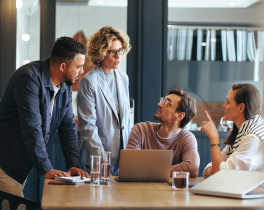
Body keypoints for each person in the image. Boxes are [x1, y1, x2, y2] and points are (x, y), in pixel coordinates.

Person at [0, 37, 89, 210]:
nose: (82, 71)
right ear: (63, 66)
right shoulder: (28, 79)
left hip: (20, 165)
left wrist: (73, 164)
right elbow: (32, 127)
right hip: (5, 163)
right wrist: (45, 168)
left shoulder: (64, 85)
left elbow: (68, 126)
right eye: (78, 66)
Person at [77, 26, 131, 175]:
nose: (118, 56)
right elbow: (88, 126)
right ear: (100, 53)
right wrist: (102, 160)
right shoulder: (88, 81)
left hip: (123, 158)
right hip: (98, 158)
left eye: (120, 50)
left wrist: (130, 153)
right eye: (112, 52)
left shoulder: (123, 78)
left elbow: (126, 120)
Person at [126, 88, 200, 178]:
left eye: (167, 103)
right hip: (140, 190)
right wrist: (165, 171)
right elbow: (129, 165)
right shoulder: (141, 130)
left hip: (172, 191)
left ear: (179, 115)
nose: (159, 104)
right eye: (162, 100)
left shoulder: (187, 138)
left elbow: (192, 168)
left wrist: (149, 171)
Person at [202, 83, 264, 178]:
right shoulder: (242, 131)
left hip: (255, 192)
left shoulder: (253, 137)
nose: (223, 105)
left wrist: (214, 137)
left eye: (227, 102)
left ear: (241, 108)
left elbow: (223, 174)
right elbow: (215, 165)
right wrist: (210, 169)